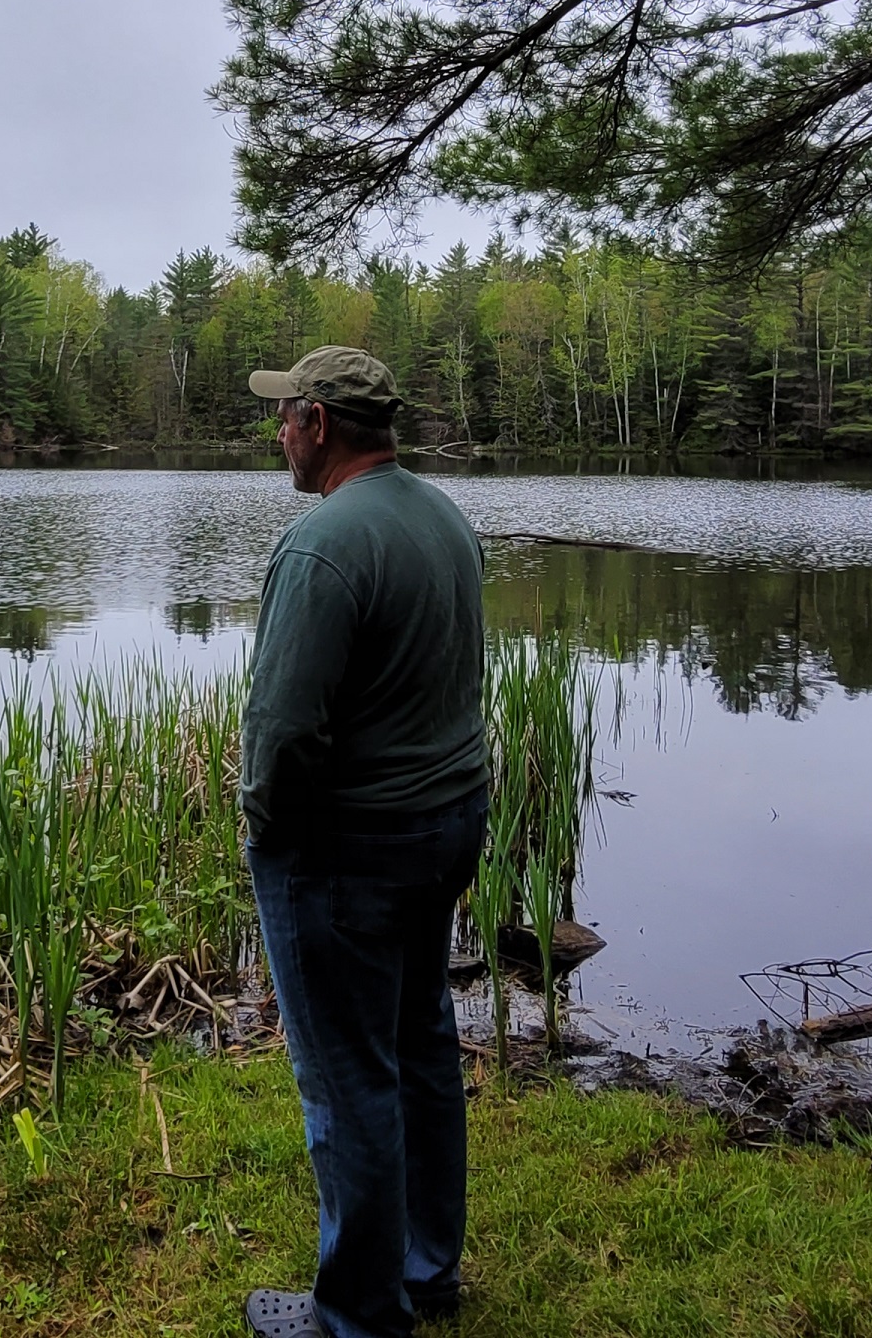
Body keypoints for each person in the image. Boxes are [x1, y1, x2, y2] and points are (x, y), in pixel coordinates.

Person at [236, 345, 488, 1338]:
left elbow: (283, 731)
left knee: (348, 1079)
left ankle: (358, 1317)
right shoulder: (445, 520)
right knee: (421, 1043)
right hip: (446, 827)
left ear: (322, 425)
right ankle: (428, 1271)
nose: (277, 432)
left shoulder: (322, 547)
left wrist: (267, 828)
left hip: (352, 849)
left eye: (285, 416)